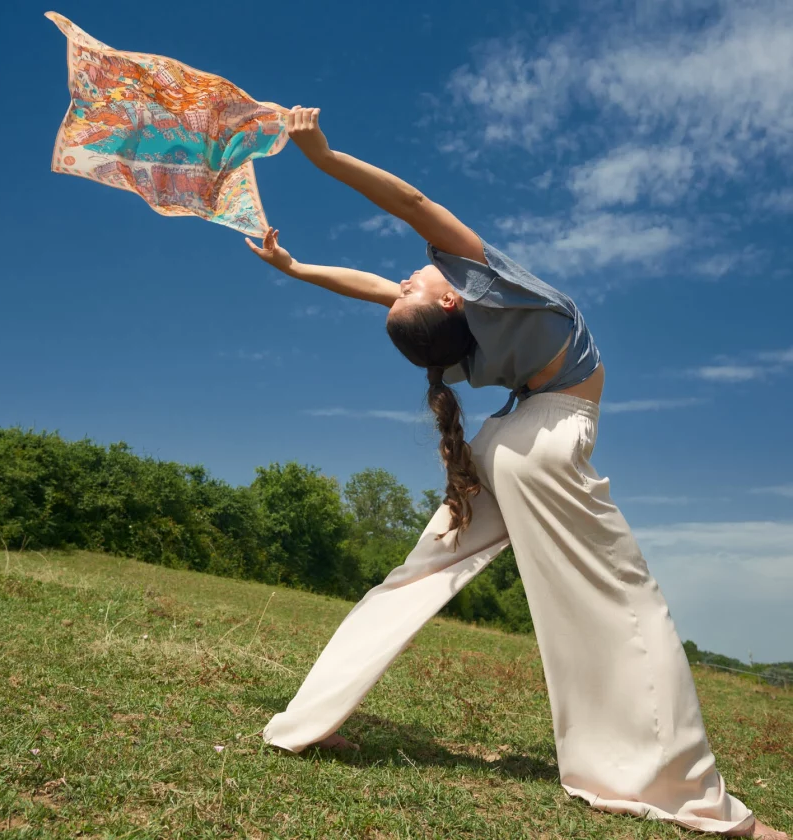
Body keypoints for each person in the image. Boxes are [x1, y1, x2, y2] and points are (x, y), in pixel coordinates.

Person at [245, 106, 787, 840]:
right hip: (545, 438)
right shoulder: (481, 289)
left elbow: (379, 291)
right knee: (624, 607)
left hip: (502, 442)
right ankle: (690, 799)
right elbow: (410, 205)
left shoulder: (456, 338)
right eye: (413, 281)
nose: (403, 275)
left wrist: (296, 267)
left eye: (403, 281)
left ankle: (304, 723)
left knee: (410, 582)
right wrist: (323, 155)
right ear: (446, 299)